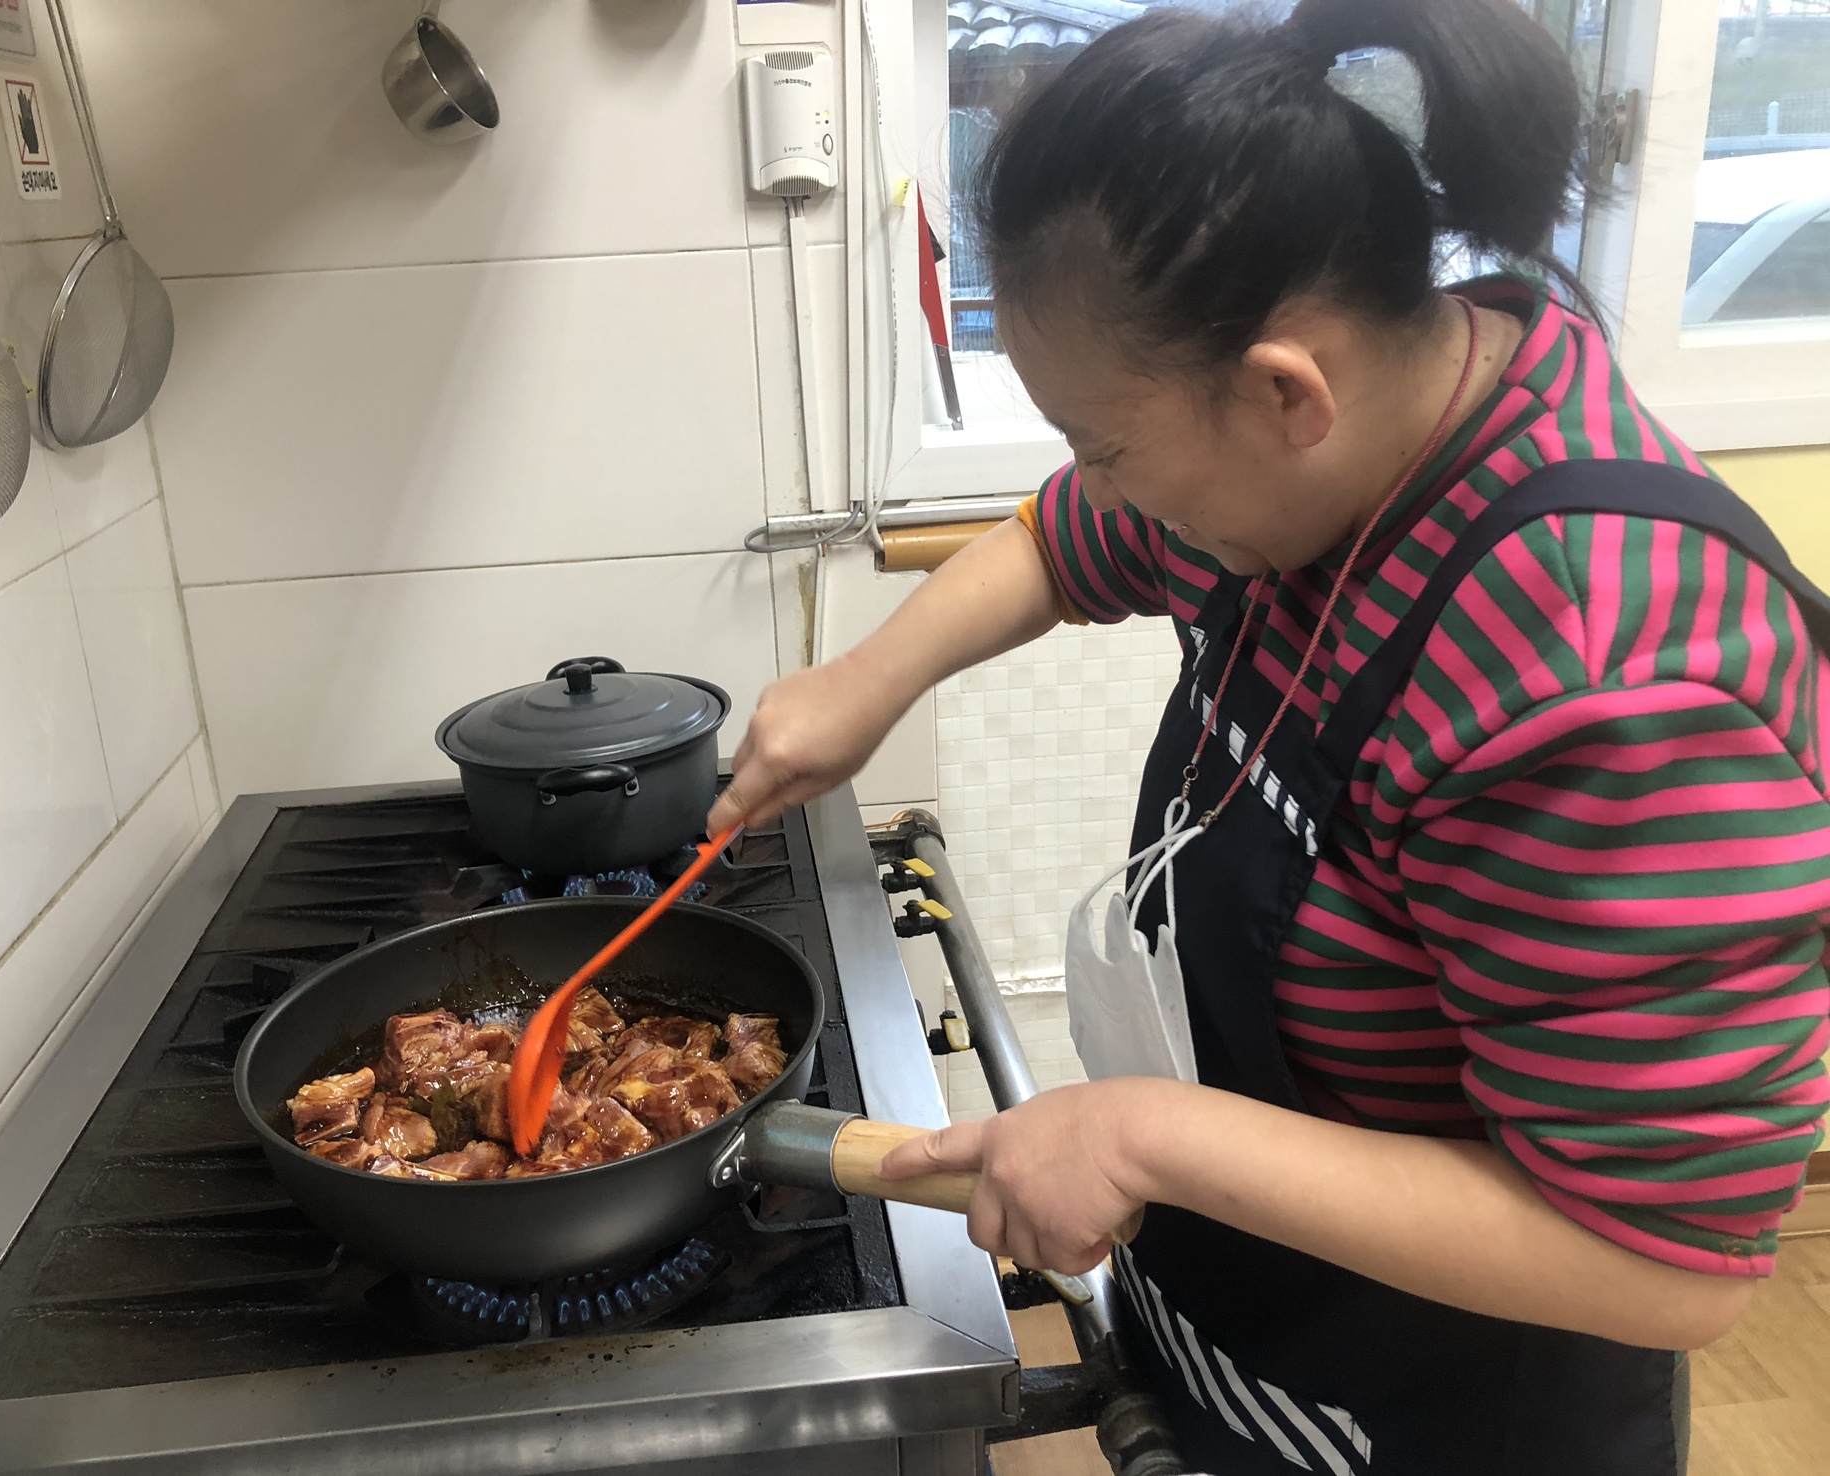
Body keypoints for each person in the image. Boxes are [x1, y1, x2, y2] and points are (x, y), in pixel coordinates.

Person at [707, 1, 1830, 1472]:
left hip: (1451, 1418)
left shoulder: (1602, 676)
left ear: (1286, 391)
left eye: (1111, 443)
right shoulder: (1340, 435)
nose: (1106, 485)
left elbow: (1663, 1261)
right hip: (1245, 1324)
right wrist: (871, 679)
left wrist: (1147, 1137)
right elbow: (1069, 538)